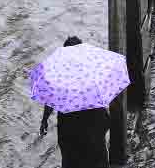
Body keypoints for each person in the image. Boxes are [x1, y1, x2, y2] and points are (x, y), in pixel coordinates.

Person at [39, 36, 110, 168]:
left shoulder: (58, 75)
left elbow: (50, 100)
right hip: (94, 126)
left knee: (71, 159)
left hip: (70, 129)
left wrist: (44, 120)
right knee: (98, 159)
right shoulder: (92, 70)